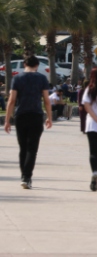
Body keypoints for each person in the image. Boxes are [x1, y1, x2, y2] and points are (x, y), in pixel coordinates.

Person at [3, 55, 53, 189]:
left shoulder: (17, 78)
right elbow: (46, 100)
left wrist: (7, 120)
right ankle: (27, 177)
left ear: (25, 65)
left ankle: (23, 176)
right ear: (37, 65)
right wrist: (49, 117)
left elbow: (12, 100)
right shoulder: (42, 78)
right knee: (32, 148)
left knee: (23, 148)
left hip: (21, 116)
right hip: (36, 115)